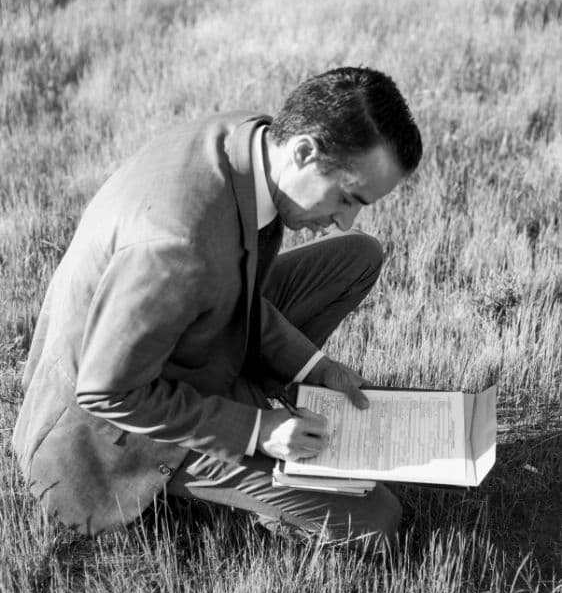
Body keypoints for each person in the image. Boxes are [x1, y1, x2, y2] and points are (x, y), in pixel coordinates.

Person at [12, 66, 422, 543]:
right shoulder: (177, 244)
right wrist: (256, 429)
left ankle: (254, 404)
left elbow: (236, 285)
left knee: (356, 256)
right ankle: (250, 469)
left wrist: (317, 368)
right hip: (112, 435)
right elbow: (108, 393)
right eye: (347, 197)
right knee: (374, 520)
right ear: (305, 150)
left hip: (184, 342)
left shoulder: (252, 142)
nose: (345, 219)